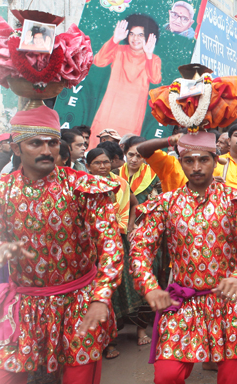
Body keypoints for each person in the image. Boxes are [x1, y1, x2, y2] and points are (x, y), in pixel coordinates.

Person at [0, 106, 123, 383]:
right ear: (16, 148)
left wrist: (100, 297)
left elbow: (111, 246)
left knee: (79, 378)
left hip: (79, 304)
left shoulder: (84, 188)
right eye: (36, 143)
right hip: (23, 307)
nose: (46, 150)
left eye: (51, 142)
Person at [129, 131, 237, 384]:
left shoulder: (235, 200)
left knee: (231, 379)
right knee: (167, 375)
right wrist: (149, 287)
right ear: (180, 163)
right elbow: (140, 248)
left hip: (229, 301)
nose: (196, 167)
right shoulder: (165, 203)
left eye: (203, 160)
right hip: (183, 301)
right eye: (189, 161)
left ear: (215, 160)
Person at [85, 147, 148, 360]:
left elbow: (134, 204)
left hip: (119, 238)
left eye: (105, 162)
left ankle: (139, 331)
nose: (102, 166)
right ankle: (108, 342)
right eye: (97, 163)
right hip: (93, 245)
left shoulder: (120, 182)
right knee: (103, 292)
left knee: (129, 287)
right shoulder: (82, 186)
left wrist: (130, 225)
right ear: (88, 166)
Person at [90, 13, 161, 149]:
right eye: (132, 34)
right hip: (108, 112)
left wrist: (149, 55)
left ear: (149, 37)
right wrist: (114, 40)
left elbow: (155, 79)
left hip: (132, 117)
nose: (135, 38)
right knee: (98, 149)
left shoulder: (154, 59)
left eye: (141, 35)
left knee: (124, 152)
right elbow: (98, 61)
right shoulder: (118, 50)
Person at [121, 136, 161, 204]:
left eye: (139, 156)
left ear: (145, 156)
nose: (134, 160)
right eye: (131, 155)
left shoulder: (154, 176)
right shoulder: (115, 174)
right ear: (125, 153)